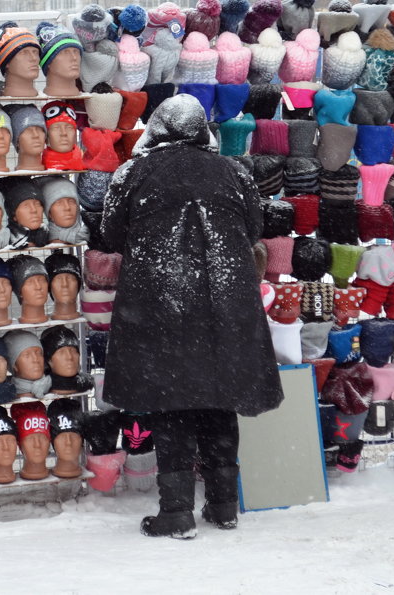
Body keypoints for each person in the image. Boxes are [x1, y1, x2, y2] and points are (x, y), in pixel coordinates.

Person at [97, 94, 282, 539]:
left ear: (157, 129)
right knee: (220, 402)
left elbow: (110, 233)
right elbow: (255, 227)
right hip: (227, 305)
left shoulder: (134, 173)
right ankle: (224, 505)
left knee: (172, 405)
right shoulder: (235, 172)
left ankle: (176, 511)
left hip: (163, 307)